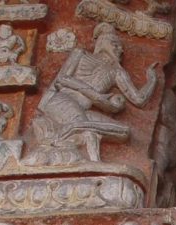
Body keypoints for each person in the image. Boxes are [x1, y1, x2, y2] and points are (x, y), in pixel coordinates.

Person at [25, 22, 158, 164]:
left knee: (122, 131)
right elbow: (62, 79)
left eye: (120, 47)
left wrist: (152, 79)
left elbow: (139, 99)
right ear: (102, 43)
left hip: (82, 109)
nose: (120, 50)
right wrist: (97, 96)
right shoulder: (80, 54)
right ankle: (69, 148)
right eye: (115, 44)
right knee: (83, 125)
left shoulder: (117, 72)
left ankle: (78, 145)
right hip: (59, 101)